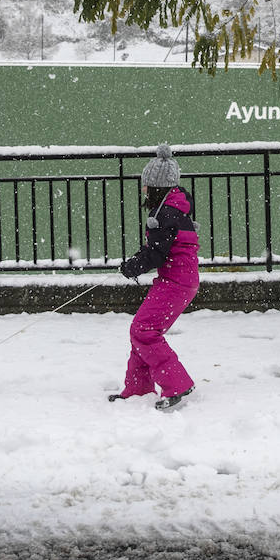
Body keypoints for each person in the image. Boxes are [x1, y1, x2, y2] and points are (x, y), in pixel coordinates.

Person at [110, 143, 201, 411]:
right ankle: (138, 389)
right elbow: (158, 248)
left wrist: (132, 267)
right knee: (142, 329)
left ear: (156, 187)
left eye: (146, 185)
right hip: (179, 280)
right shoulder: (173, 210)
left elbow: (156, 254)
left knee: (144, 330)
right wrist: (137, 261)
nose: (143, 190)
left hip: (176, 282)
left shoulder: (165, 214)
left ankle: (178, 384)